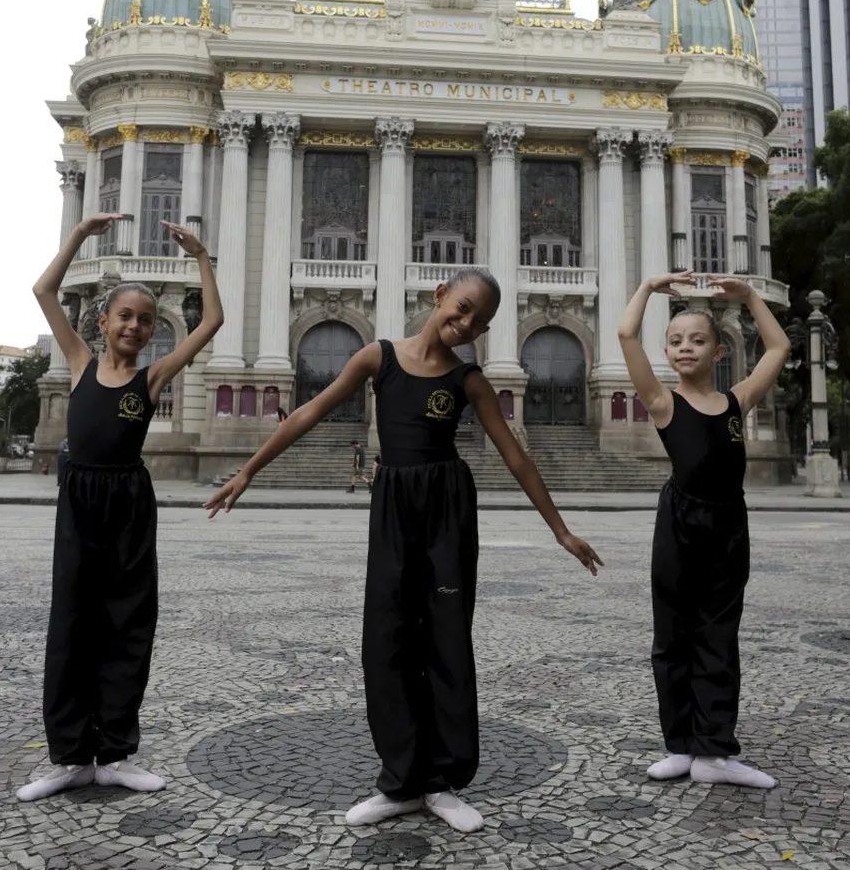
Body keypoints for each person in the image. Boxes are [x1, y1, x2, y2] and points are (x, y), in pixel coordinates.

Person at [204, 268, 601, 832]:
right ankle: (401, 780)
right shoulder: (377, 357)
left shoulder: (469, 381)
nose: (463, 324)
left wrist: (560, 530)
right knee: (388, 638)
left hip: (447, 509)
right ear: (440, 297)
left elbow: (516, 456)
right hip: (393, 504)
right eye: (459, 308)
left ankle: (441, 782)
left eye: (476, 321)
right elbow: (308, 413)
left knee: (444, 638)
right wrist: (247, 471)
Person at [17, 213, 224, 802]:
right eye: (125, 316)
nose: (134, 326)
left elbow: (212, 320)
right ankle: (67, 757)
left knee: (128, 623)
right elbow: (43, 292)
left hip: (129, 502)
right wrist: (79, 238)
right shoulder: (80, 363)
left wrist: (202, 258)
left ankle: (114, 752)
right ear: (103, 321)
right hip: (80, 501)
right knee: (73, 624)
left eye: (146, 320)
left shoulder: (153, 378)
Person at [617, 271, 790, 790]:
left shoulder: (737, 402)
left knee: (719, 635)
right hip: (679, 522)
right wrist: (648, 288)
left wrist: (750, 296)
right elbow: (626, 336)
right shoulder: (665, 402)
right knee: (672, 635)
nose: (684, 348)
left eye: (696, 340)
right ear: (667, 353)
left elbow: (778, 346)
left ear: (719, 352)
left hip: (728, 524)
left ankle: (714, 752)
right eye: (675, 342)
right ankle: (680, 746)